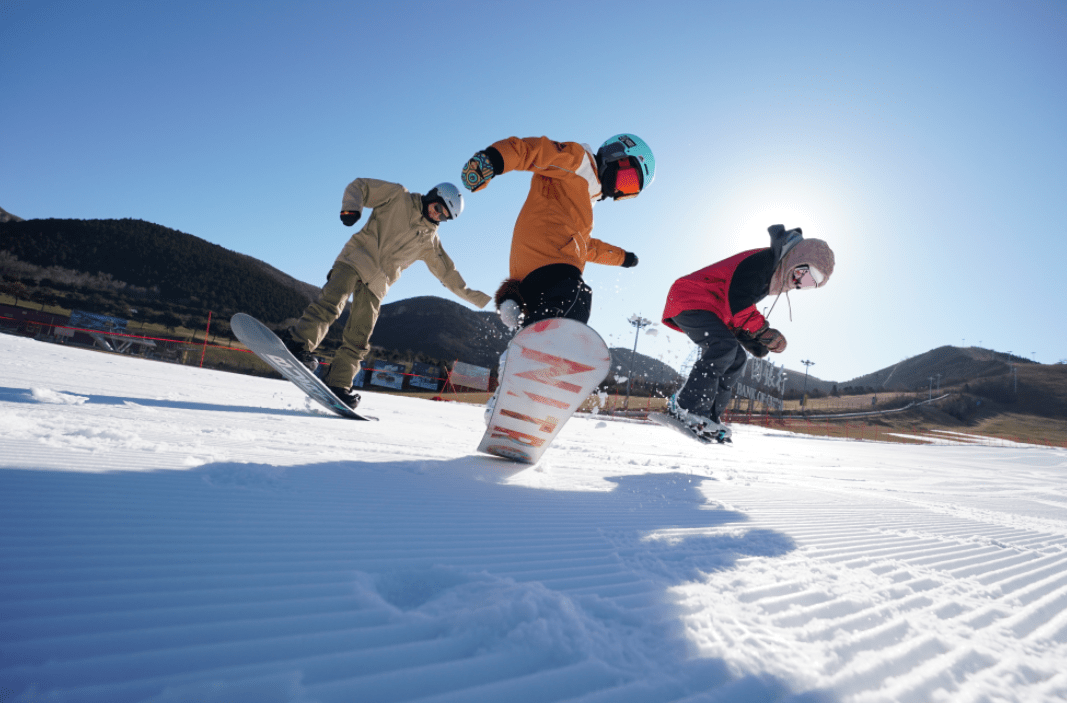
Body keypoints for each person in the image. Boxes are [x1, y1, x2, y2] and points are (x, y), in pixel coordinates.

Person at [283, 180, 491, 408]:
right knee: (332, 303)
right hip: (356, 258)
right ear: (433, 195)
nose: (437, 215)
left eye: (444, 217)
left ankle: (338, 383)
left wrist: (481, 300)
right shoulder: (397, 196)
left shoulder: (429, 241)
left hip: (378, 283)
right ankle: (299, 345)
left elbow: (449, 275)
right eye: (438, 208)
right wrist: (351, 208)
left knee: (360, 336)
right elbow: (361, 187)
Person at [660, 225, 835, 442]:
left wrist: (752, 338)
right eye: (804, 273)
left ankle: (709, 416)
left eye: (809, 284)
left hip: (713, 308)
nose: (799, 283)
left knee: (737, 358)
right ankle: (686, 407)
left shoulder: (770, 276)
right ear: (796, 257)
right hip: (691, 298)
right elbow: (738, 301)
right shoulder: (764, 262)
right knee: (723, 349)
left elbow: (735, 311)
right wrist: (762, 331)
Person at [460, 134, 653, 330]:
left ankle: (528, 349)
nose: (619, 192)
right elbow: (533, 151)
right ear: (617, 157)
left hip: (538, 271)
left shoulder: (585, 203)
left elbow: (586, 247)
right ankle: (548, 344)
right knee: (577, 298)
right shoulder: (578, 162)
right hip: (548, 260)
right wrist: (493, 159)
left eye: (628, 193)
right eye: (627, 181)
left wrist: (623, 258)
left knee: (553, 313)